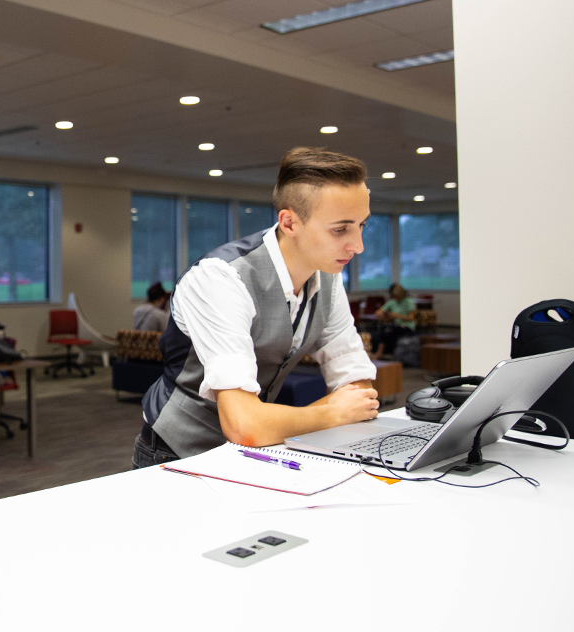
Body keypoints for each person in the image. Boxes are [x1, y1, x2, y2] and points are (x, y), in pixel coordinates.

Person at [134, 146, 379, 468]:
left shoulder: (328, 277)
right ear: (289, 223)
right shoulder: (220, 277)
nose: (357, 246)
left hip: (261, 448)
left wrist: (276, 421)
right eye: (340, 229)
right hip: (178, 451)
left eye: (362, 225)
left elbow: (359, 392)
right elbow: (244, 426)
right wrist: (331, 412)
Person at [371, 283, 417, 359]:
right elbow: (378, 312)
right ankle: (382, 353)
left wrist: (397, 316)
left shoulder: (408, 302)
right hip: (396, 326)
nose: (396, 298)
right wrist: (384, 314)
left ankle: (380, 353)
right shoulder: (392, 302)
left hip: (406, 327)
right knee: (385, 330)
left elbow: (411, 318)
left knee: (387, 330)